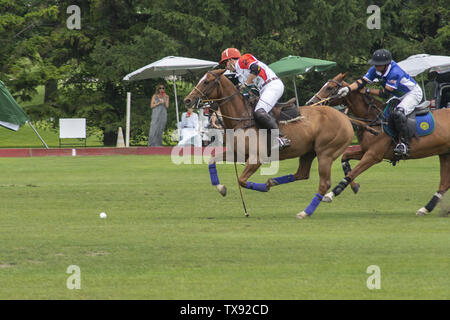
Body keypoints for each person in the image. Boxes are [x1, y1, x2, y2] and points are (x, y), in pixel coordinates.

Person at [336, 49, 423, 156]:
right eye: (375, 64)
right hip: (399, 95)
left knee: (398, 113)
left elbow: (385, 94)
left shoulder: (394, 72)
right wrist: (348, 89)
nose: (376, 66)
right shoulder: (375, 70)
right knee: (384, 112)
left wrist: (368, 91)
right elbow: (362, 82)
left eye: (378, 64)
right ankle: (390, 140)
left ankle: (404, 144)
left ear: (386, 64)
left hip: (413, 93)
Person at [219, 48, 291, 150]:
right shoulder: (239, 74)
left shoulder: (242, 60)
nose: (226, 67)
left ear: (230, 60)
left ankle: (280, 138)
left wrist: (246, 83)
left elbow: (256, 69)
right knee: (254, 111)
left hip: (272, 85)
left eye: (225, 63)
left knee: (259, 111)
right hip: (264, 89)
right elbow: (251, 90)